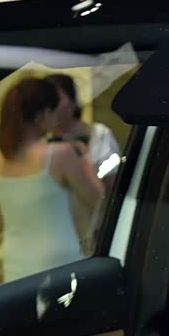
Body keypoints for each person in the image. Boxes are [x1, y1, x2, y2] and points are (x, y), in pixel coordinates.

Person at [0, 78, 104, 282]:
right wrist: (84, 158)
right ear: (44, 115)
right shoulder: (61, 154)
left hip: (15, 264)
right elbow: (99, 200)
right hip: (62, 263)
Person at [45, 74, 120, 251]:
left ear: (73, 101)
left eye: (57, 98)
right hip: (57, 237)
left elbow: (112, 183)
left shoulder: (98, 134)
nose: (51, 105)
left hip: (93, 231)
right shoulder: (40, 143)